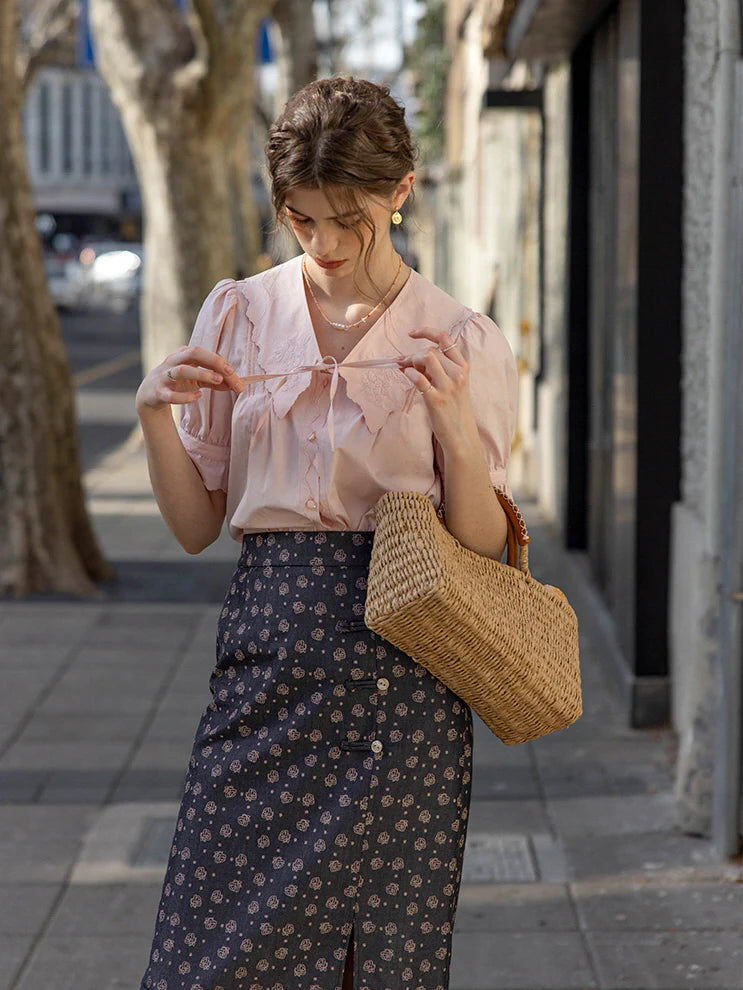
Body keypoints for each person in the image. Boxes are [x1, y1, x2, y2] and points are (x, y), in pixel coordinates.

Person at [135, 76, 518, 990]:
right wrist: (155, 418)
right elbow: (195, 528)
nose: (328, 245)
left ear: (401, 189)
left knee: (375, 957)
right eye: (302, 220)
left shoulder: (461, 337)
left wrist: (457, 431)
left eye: (350, 218)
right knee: (208, 948)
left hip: (404, 676)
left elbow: (482, 548)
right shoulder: (239, 314)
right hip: (264, 667)